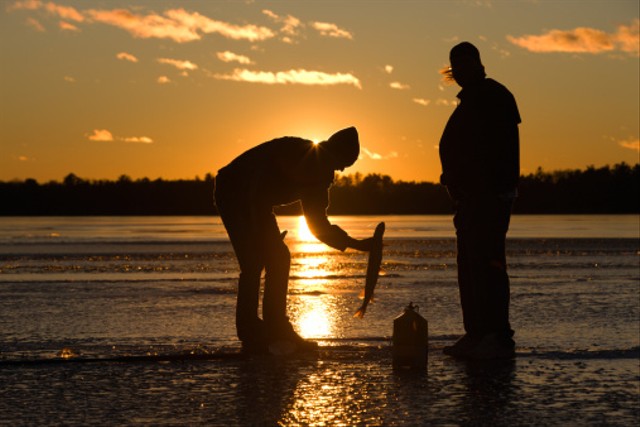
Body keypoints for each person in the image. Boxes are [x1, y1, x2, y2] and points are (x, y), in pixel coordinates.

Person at [214, 127, 373, 354]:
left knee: (278, 258)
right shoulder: (297, 151)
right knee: (253, 262)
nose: (339, 170)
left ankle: (276, 327)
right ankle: (252, 331)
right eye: (342, 163)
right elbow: (256, 186)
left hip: (259, 201)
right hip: (234, 190)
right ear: (333, 151)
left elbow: (317, 223)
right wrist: (257, 230)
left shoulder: (320, 175)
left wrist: (356, 244)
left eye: (345, 166)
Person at [438, 42, 521, 359]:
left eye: (463, 65)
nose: (459, 72)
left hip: (488, 197)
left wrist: (494, 190)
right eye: (454, 68)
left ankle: (496, 336)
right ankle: (477, 333)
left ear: (477, 65)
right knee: (470, 266)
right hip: (470, 199)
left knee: (488, 264)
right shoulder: (470, 100)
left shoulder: (494, 96)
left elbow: (502, 150)